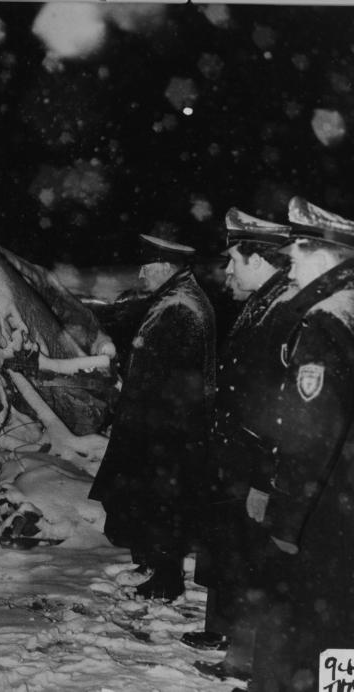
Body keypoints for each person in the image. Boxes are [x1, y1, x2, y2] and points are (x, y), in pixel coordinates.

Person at [244, 198, 354, 692]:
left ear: (326, 255)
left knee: (313, 621)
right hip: (340, 501)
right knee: (340, 626)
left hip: (323, 511)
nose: (291, 261)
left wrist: (284, 517)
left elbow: (311, 433)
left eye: (299, 252)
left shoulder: (323, 323)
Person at [184, 209, 294, 681]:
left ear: (259, 259)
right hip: (239, 458)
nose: (227, 270)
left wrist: (264, 476)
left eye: (234, 259)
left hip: (255, 461)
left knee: (253, 562)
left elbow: (280, 405)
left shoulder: (286, 309)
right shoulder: (264, 302)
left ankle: (247, 660)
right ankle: (237, 648)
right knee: (235, 554)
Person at [89, 233, 216, 601]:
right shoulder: (177, 299)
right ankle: (155, 566)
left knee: (162, 504)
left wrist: (155, 428)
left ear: (165, 267)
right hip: (161, 425)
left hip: (165, 430)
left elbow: (176, 379)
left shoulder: (179, 306)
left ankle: (165, 580)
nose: (141, 274)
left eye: (146, 267)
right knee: (153, 503)